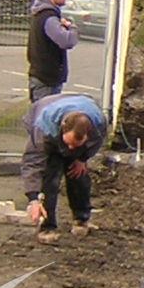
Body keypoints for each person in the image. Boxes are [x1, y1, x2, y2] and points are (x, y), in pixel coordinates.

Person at [22, 92, 107, 244]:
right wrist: (33, 199)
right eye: (67, 144)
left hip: (80, 109)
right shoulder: (43, 128)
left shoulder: (98, 124)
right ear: (62, 129)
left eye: (74, 145)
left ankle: (81, 219)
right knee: (50, 178)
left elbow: (97, 142)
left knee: (78, 175)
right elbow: (33, 162)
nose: (69, 148)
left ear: (87, 135)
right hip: (46, 119)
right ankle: (47, 226)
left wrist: (82, 158)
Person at [27, 0, 78, 103]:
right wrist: (72, 27)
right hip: (47, 81)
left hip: (43, 77)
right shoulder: (49, 17)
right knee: (44, 118)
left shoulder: (42, 14)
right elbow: (67, 41)